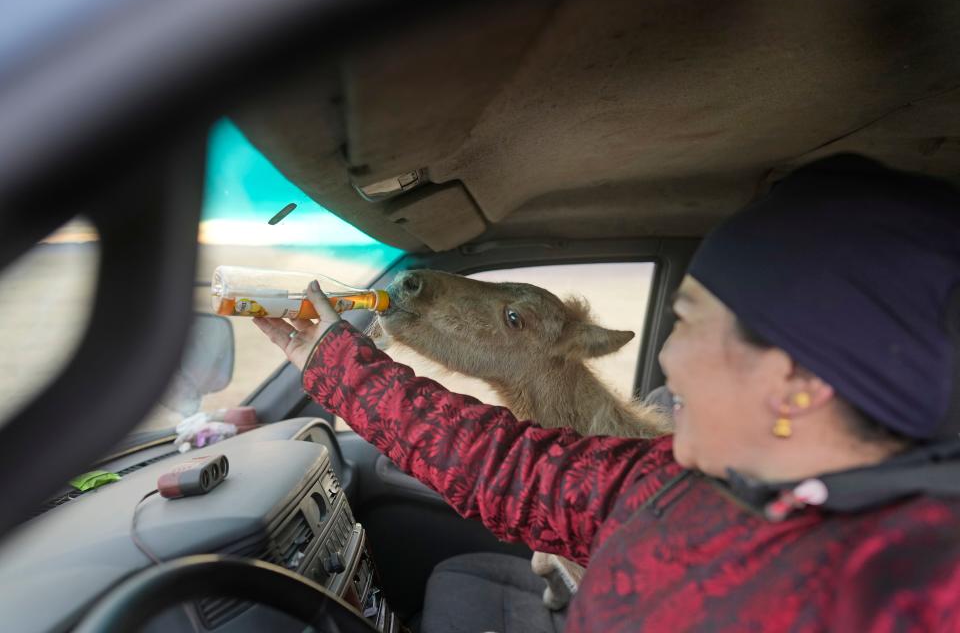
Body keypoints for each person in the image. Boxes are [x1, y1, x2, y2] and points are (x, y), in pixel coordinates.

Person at [254, 154, 960, 632]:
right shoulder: (674, 475)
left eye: (688, 324)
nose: (666, 359)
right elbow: (503, 467)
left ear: (798, 379)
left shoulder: (905, 595)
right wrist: (327, 357)